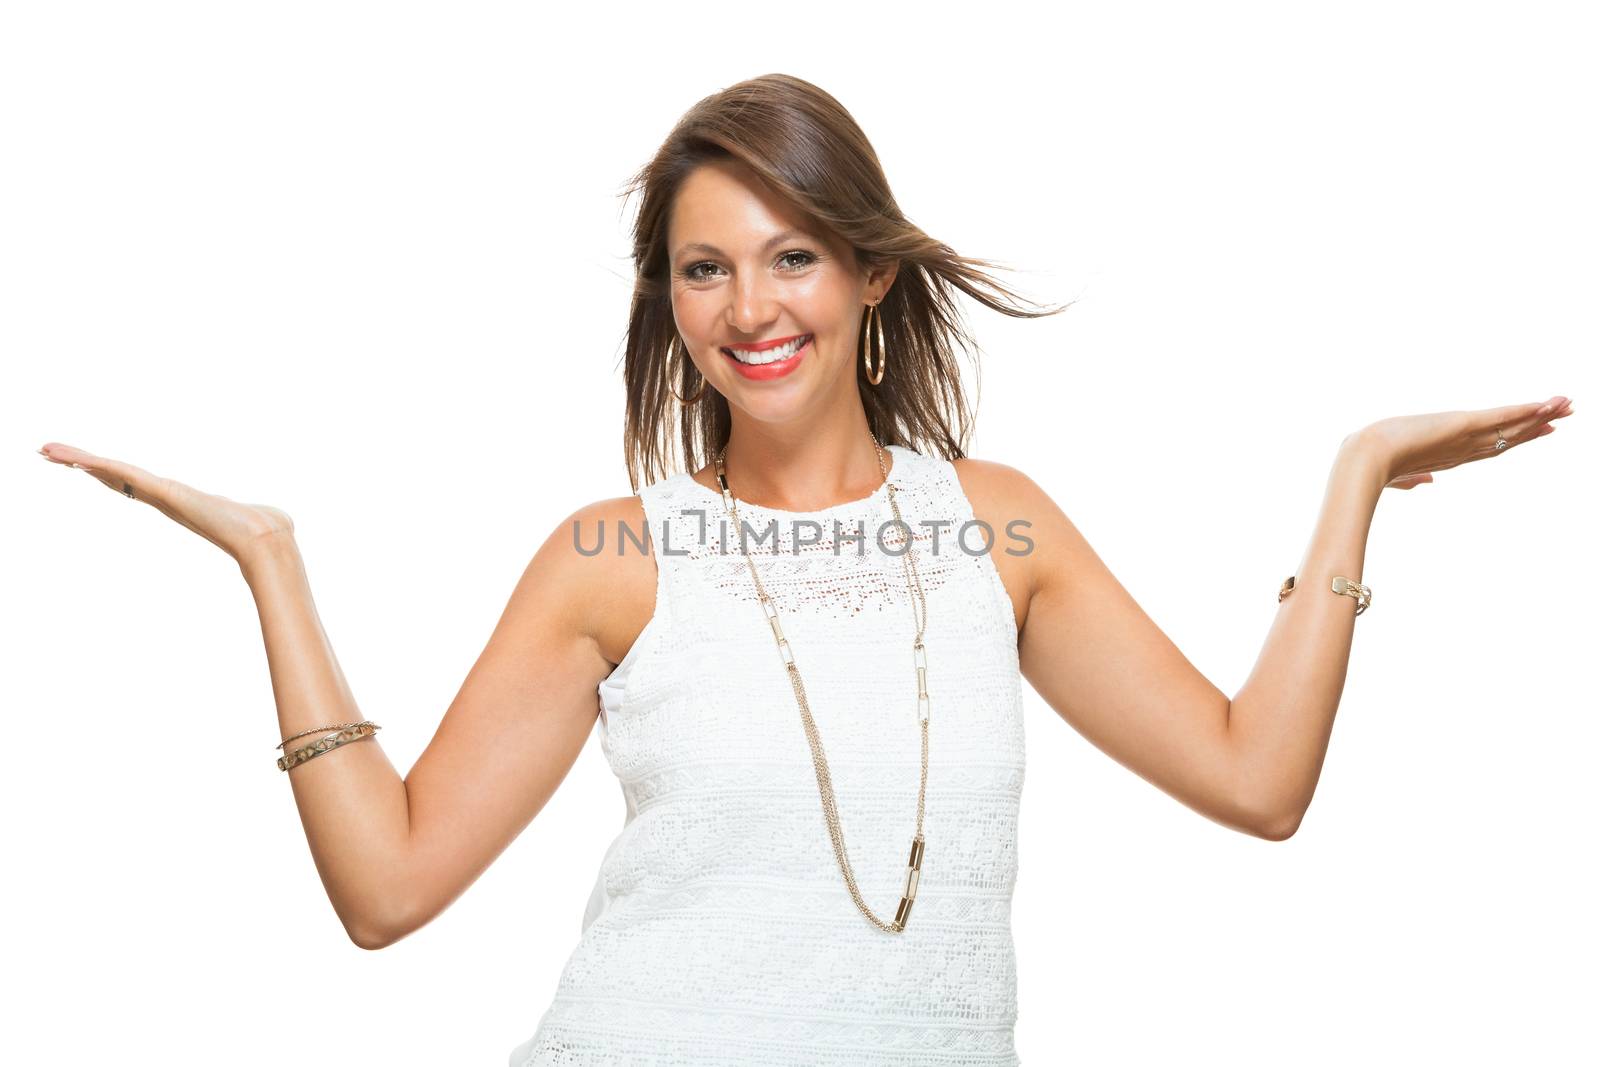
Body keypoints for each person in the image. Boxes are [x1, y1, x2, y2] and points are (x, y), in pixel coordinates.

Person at [36, 73, 1574, 1066]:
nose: (750, 305)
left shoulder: (998, 524)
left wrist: (1354, 486)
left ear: (869, 275)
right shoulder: (614, 559)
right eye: (705, 266)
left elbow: (1258, 783)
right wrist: (276, 568)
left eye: (792, 256)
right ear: (672, 303)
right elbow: (389, 889)